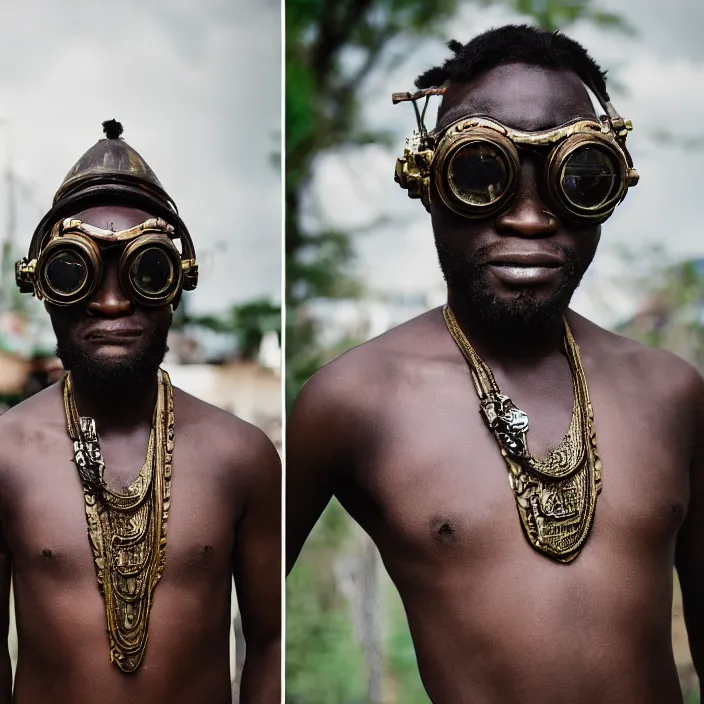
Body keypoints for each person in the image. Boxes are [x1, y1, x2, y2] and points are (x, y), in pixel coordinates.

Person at [287, 25, 703, 703]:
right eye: (482, 174)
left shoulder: (672, 396)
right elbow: (252, 625)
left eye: (578, 178)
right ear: (426, 180)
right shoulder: (356, 403)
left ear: (613, 186)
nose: (533, 220)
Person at [0, 121, 280, 703]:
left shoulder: (241, 456)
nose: (111, 300)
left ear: (178, 283)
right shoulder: (6, 455)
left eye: (145, 271)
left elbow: (271, 643)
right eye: (76, 272)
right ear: (43, 285)